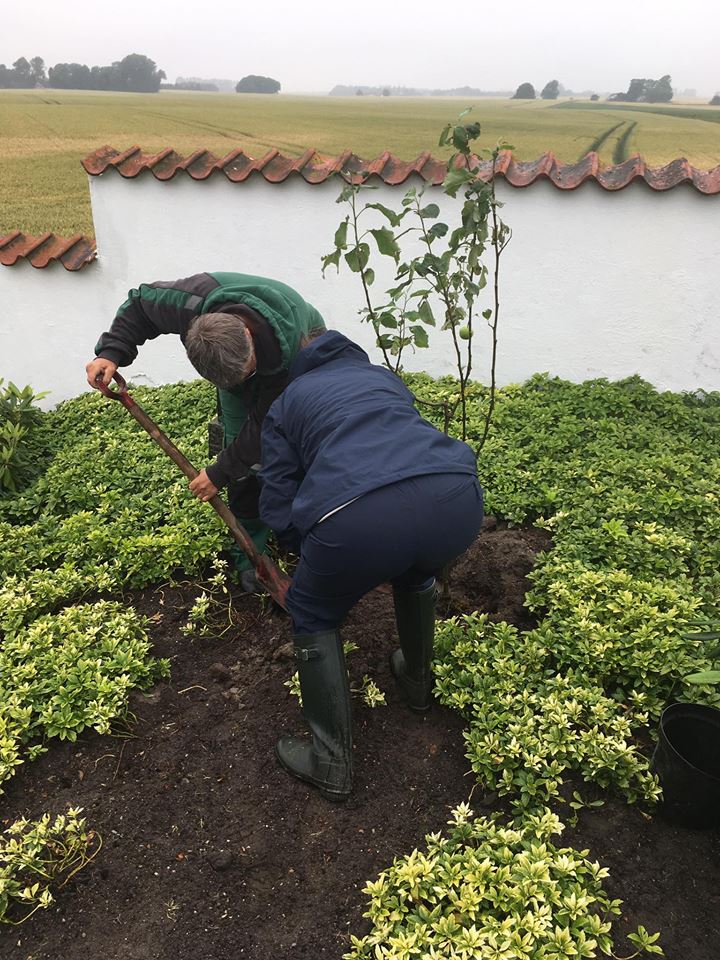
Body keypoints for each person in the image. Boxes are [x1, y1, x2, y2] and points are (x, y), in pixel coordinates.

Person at [259, 329, 484, 801]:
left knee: (313, 611)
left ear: (302, 361)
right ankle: (418, 684)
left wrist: (309, 548)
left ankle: (331, 762)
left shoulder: (288, 400)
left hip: (355, 518)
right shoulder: (382, 377)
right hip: (456, 495)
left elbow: (279, 497)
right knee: (416, 571)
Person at [86, 272, 325, 580]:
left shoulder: (292, 354)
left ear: (249, 341)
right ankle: (250, 552)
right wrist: (111, 352)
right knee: (241, 455)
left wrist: (218, 473)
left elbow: (263, 428)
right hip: (239, 359)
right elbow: (141, 304)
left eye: (241, 377)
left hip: (301, 343)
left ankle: (302, 529)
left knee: (286, 444)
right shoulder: (193, 303)